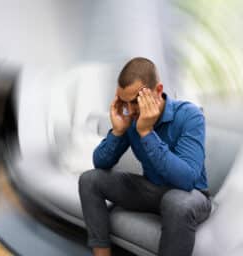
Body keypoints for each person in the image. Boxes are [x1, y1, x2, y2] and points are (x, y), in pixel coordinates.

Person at [78, 57, 212, 256]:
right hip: (151, 191)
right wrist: (118, 131)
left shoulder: (190, 116)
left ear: (157, 91)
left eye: (135, 101)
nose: (130, 110)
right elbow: (100, 162)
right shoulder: (130, 118)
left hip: (190, 195)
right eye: (124, 102)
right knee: (89, 180)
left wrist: (147, 133)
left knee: (176, 202)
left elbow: (186, 180)